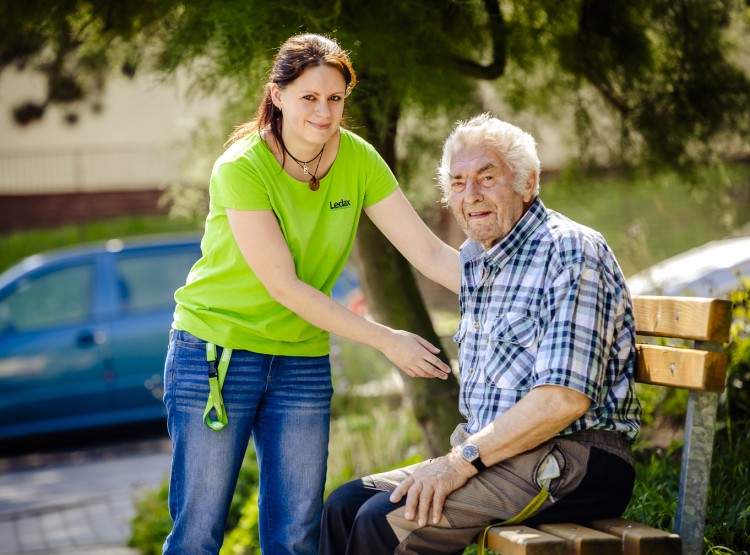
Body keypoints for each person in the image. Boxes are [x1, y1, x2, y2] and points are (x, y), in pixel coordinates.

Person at [161, 33, 460, 555]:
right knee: (197, 535)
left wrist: (515, 284)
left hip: (299, 360)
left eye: (335, 99)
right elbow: (284, 286)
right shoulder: (242, 167)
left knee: (296, 537)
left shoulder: (360, 160)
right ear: (277, 96)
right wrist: (386, 339)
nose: (324, 112)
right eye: (309, 98)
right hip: (216, 353)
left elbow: (431, 255)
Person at [319, 113, 642, 555]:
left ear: (527, 183)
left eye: (487, 178)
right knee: (344, 504)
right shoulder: (480, 260)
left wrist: (461, 461)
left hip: (574, 457)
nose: (470, 196)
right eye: (457, 183)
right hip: (502, 455)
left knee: (385, 524)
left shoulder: (569, 250)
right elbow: (429, 254)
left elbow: (564, 399)